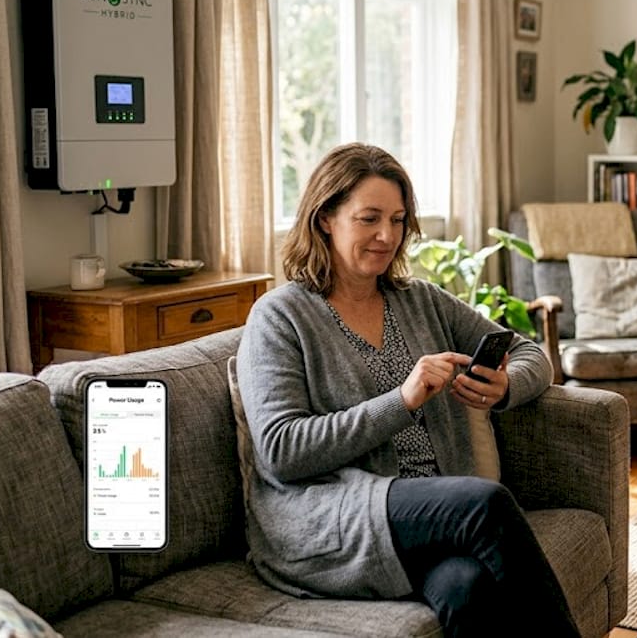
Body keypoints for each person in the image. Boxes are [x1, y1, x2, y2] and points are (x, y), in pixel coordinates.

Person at [236, 143, 577, 637]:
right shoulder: (280, 316)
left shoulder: (420, 301)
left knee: (467, 588)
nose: (386, 236)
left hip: (426, 517)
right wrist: (403, 399)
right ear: (326, 218)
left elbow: (532, 355)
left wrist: (502, 388)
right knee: (487, 503)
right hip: (330, 516)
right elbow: (282, 450)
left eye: (397, 220)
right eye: (369, 218)